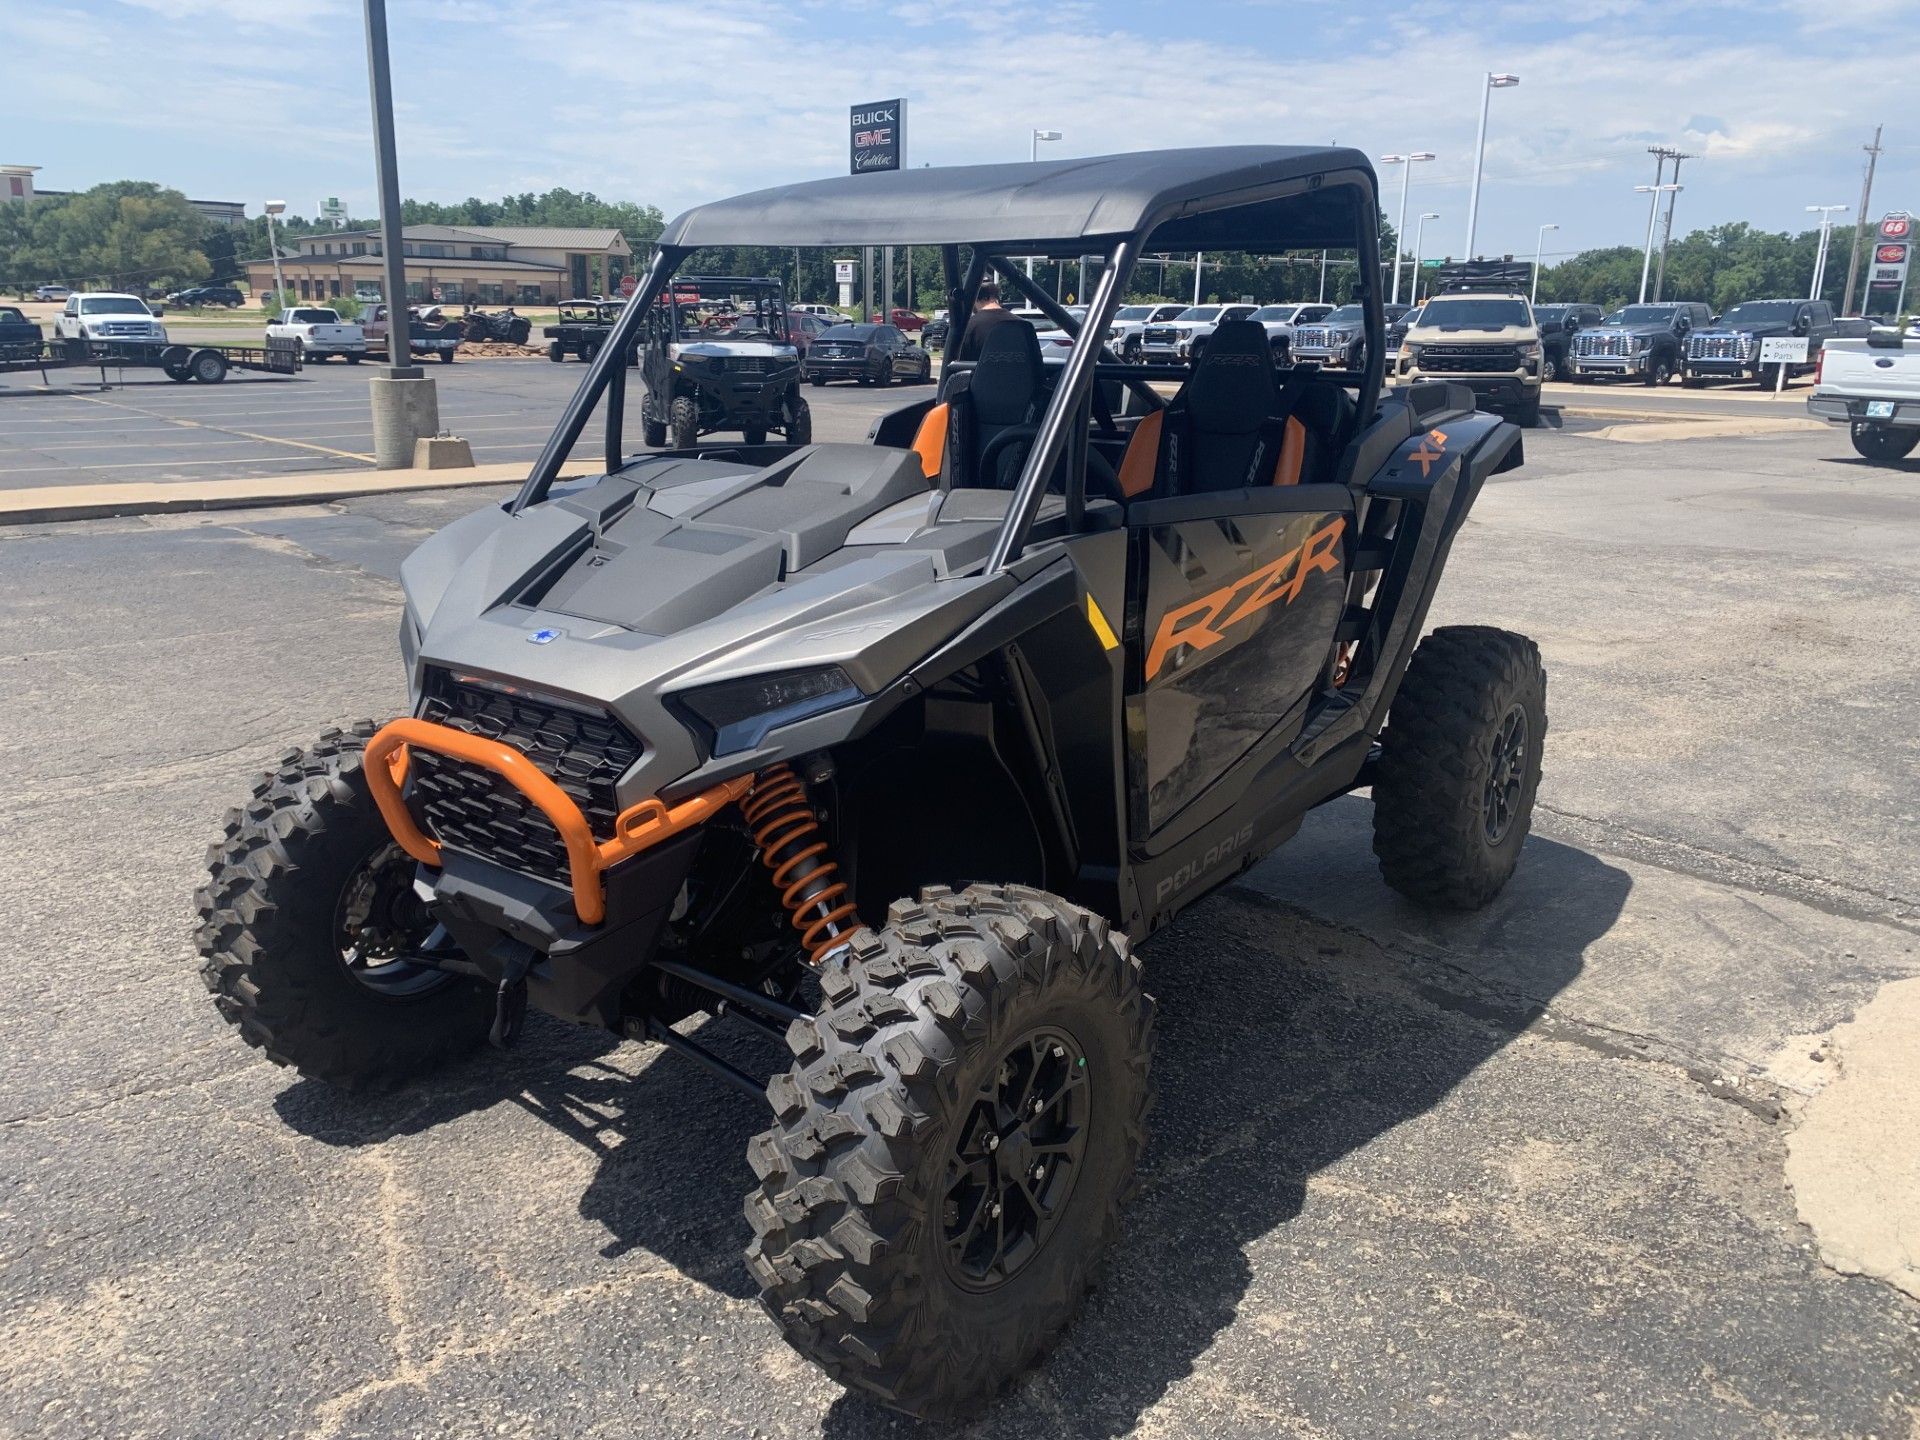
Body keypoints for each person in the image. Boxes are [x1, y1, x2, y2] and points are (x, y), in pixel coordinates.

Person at [955, 279, 1028, 361]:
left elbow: (960, 365)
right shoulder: (1024, 325)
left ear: (974, 297)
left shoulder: (969, 326)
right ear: (996, 296)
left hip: (981, 374)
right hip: (1017, 374)